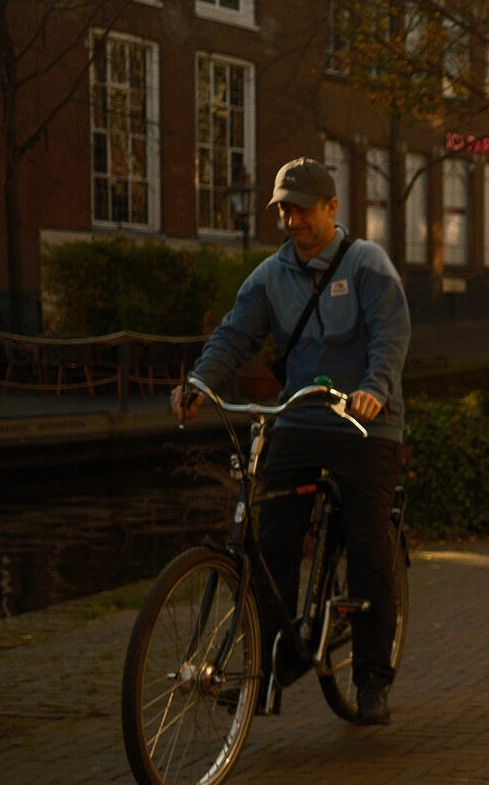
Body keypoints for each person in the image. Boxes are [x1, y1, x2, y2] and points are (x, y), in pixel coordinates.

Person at [173, 158, 412, 726]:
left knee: (368, 546)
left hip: (365, 424)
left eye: (302, 209)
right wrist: (201, 382)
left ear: (332, 208)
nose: (291, 220)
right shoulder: (270, 275)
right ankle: (268, 664)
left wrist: (375, 388)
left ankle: (371, 676)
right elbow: (235, 334)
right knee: (272, 541)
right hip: (300, 421)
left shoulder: (367, 264)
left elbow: (390, 334)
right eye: (283, 210)